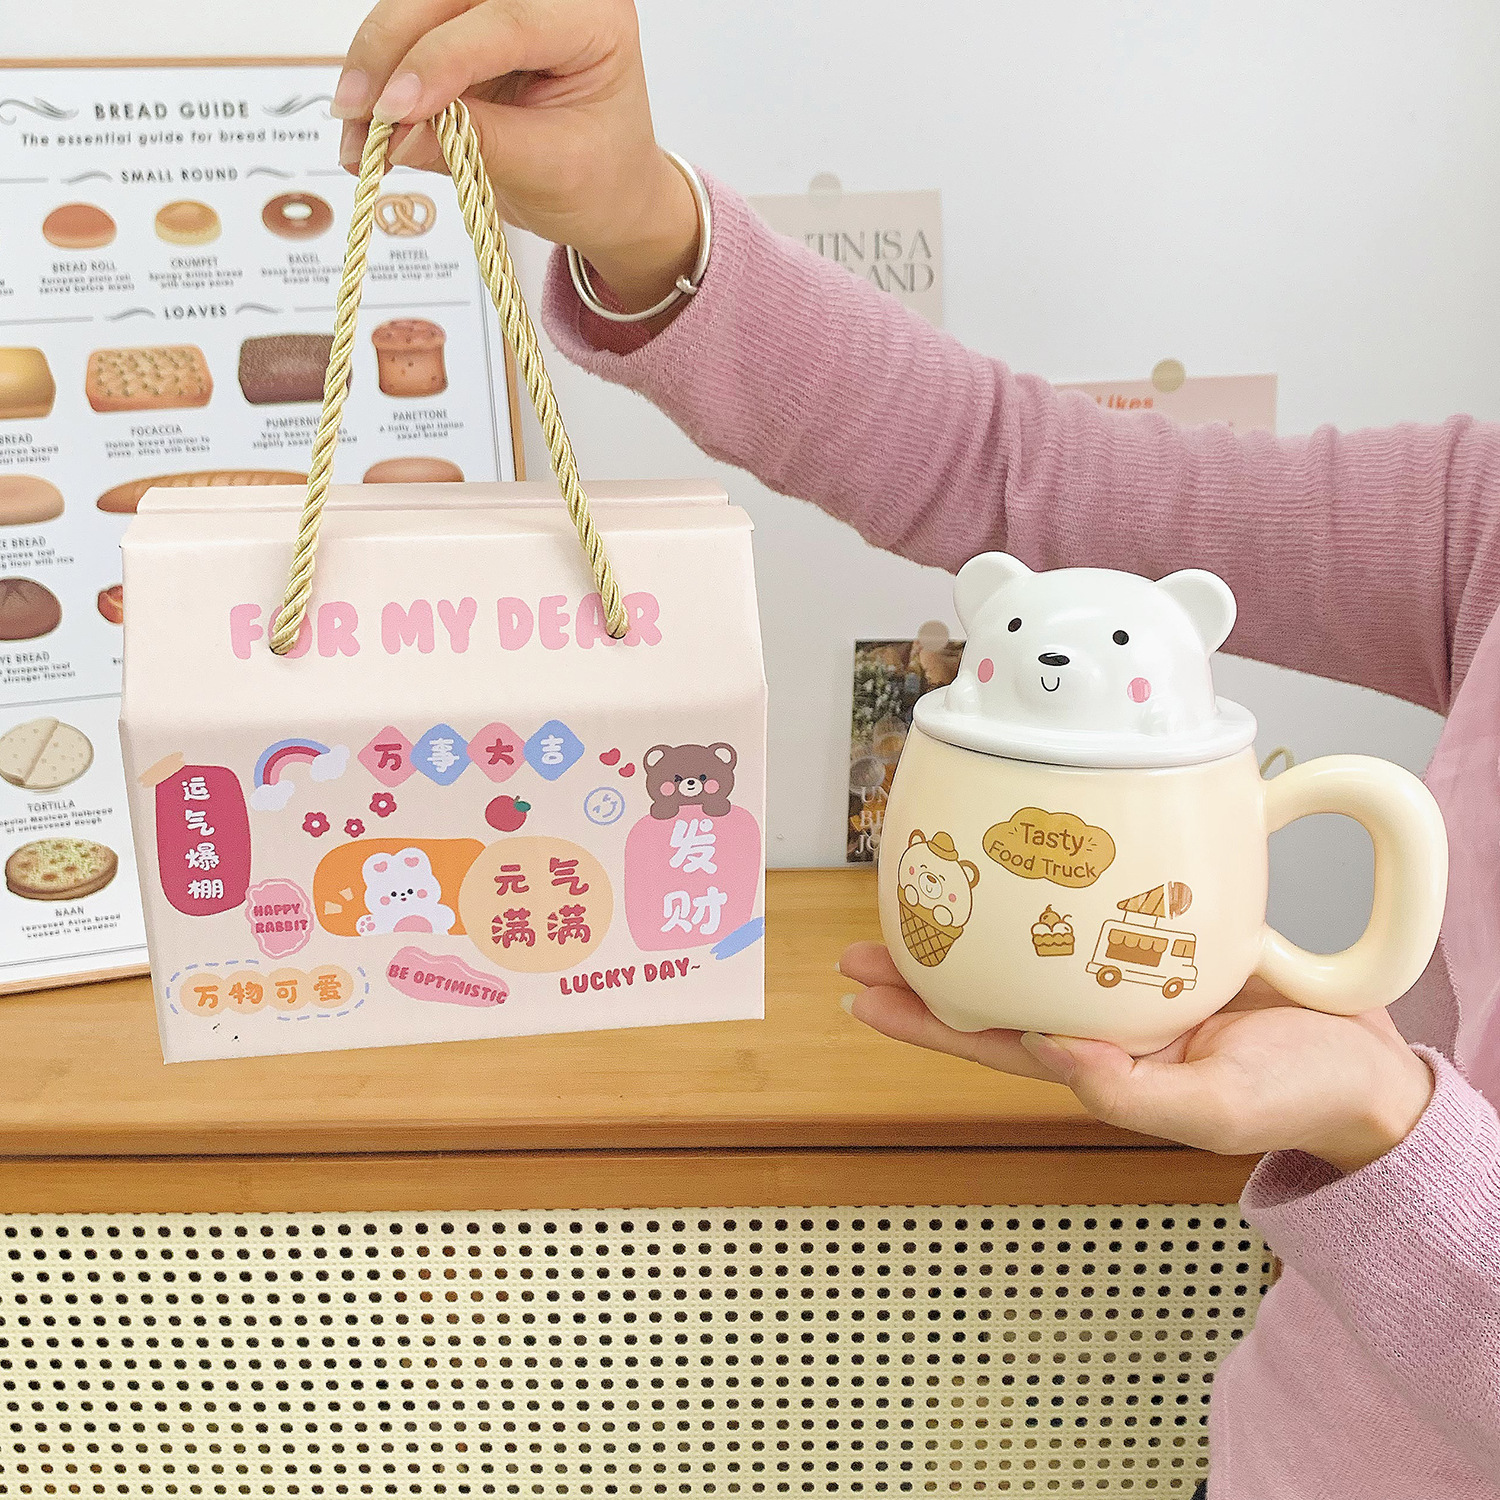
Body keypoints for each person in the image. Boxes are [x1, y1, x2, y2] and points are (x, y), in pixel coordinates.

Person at [333, 5, 1500, 1495]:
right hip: (1290, 1450)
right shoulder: (1485, 512)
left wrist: (1389, 1128)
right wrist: (635, 213)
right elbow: (1023, 476)